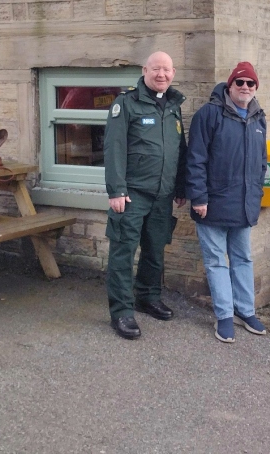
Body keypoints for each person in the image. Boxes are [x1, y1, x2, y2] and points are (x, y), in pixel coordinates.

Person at [103, 51, 187, 340]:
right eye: (156, 69)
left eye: (166, 70)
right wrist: (117, 190)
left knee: (155, 250)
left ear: (173, 73)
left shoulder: (174, 106)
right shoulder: (126, 104)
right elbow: (114, 148)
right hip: (132, 195)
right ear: (144, 71)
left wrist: (180, 187)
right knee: (123, 252)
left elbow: (179, 151)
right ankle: (122, 312)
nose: (161, 75)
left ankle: (148, 297)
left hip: (162, 195)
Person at [186, 62, 268, 344]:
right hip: (212, 203)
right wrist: (198, 197)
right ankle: (224, 315)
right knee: (216, 262)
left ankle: (246, 311)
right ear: (230, 85)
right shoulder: (209, 115)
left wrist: (256, 193)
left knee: (243, 259)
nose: (245, 87)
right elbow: (195, 159)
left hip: (244, 204)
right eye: (240, 83)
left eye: (250, 84)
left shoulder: (259, 118)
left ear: (255, 88)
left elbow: (261, 162)